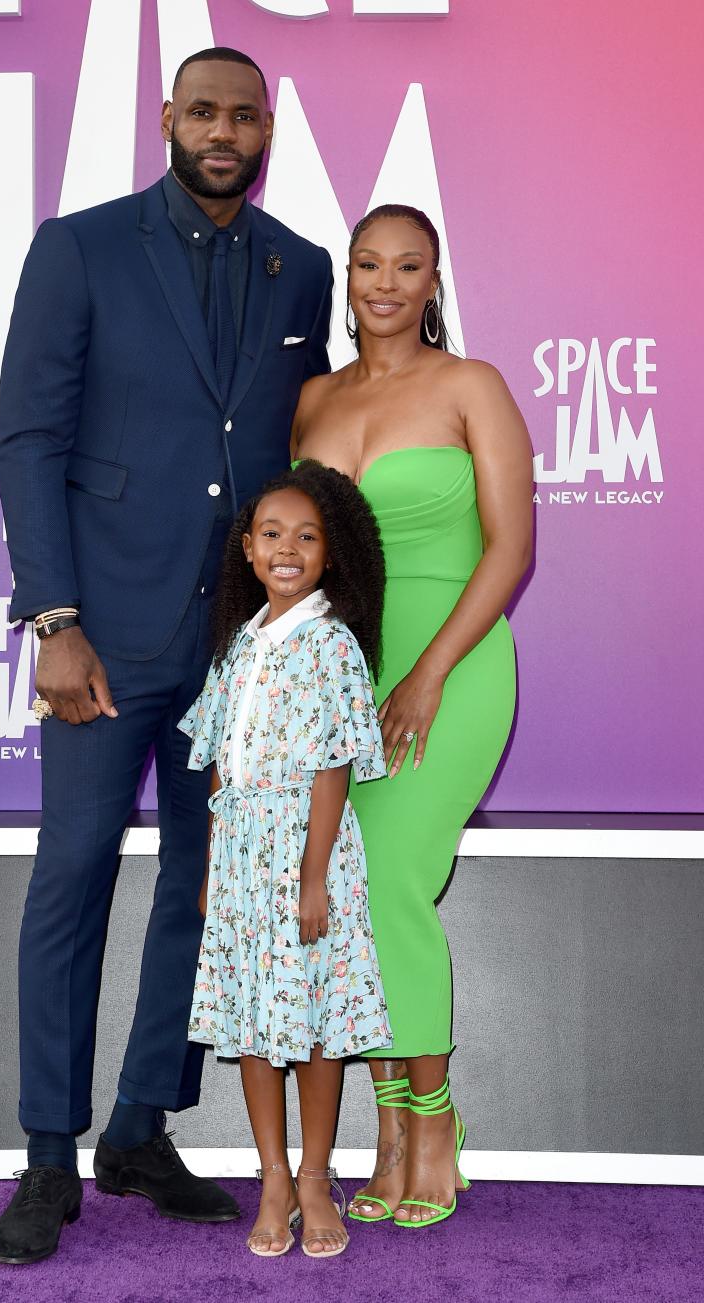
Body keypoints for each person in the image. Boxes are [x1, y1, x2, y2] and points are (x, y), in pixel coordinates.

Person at [0, 47, 333, 1265]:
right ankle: (47, 1151)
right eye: (204, 111)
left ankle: (139, 1126)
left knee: (207, 889)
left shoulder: (305, 267)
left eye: (245, 114)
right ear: (170, 119)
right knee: (71, 880)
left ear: (268, 128)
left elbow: (285, 453)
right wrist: (52, 616)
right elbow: (30, 436)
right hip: (105, 639)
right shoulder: (78, 247)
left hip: (235, 651)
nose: (223, 131)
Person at [293, 204, 532, 1228]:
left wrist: (429, 673)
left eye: (408, 265)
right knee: (348, 889)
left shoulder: (472, 385)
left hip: (457, 659)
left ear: (435, 280)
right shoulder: (308, 399)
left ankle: (434, 1121)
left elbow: (512, 549)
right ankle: (389, 1127)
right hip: (345, 671)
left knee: (389, 877)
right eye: (366, 264)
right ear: (346, 280)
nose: (384, 282)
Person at [180, 462, 392, 1259]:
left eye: (307, 537)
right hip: (239, 858)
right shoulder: (239, 645)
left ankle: (313, 1175)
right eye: (272, 534)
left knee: (312, 1026)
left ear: (330, 554)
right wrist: (209, 866)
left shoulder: (331, 643)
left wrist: (312, 876)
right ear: (246, 548)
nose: (288, 548)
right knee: (255, 1024)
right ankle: (271, 1175)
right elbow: (217, 762)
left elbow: (334, 764)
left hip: (307, 855)